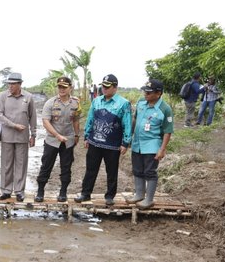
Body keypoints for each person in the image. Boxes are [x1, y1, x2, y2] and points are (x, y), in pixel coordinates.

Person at [74, 74, 132, 205]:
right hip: (94, 141)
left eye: (107, 87)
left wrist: (126, 142)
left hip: (112, 144)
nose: (104, 89)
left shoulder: (123, 104)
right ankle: (85, 193)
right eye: (103, 86)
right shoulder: (96, 101)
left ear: (115, 87)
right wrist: (86, 136)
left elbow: (127, 124)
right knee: (90, 169)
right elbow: (90, 119)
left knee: (111, 171)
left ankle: (110, 196)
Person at [125, 79, 173, 209]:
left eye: (149, 92)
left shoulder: (165, 109)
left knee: (150, 172)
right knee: (137, 170)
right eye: (145, 91)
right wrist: (129, 137)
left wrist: (162, 149)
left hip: (152, 145)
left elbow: (167, 131)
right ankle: (139, 194)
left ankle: (149, 199)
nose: (145, 94)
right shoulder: (141, 103)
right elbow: (135, 119)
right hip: (137, 144)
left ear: (158, 93)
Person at [35, 76, 81, 203]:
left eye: (64, 87)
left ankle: (63, 192)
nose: (61, 89)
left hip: (68, 140)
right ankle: (40, 191)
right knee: (46, 166)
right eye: (60, 87)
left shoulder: (75, 103)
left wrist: (77, 135)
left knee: (66, 167)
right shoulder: (50, 103)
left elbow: (76, 120)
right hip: (52, 140)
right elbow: (45, 122)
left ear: (70, 88)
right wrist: (57, 135)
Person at [0, 72, 37, 202]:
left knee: (21, 164)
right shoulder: (3, 96)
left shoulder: (28, 97)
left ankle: (19, 191)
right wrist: (14, 125)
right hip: (7, 136)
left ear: (20, 84)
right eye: (9, 84)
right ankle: (6, 190)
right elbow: (0, 115)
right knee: (6, 164)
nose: (10, 86)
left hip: (22, 137)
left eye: (13, 84)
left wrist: (33, 134)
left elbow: (33, 117)